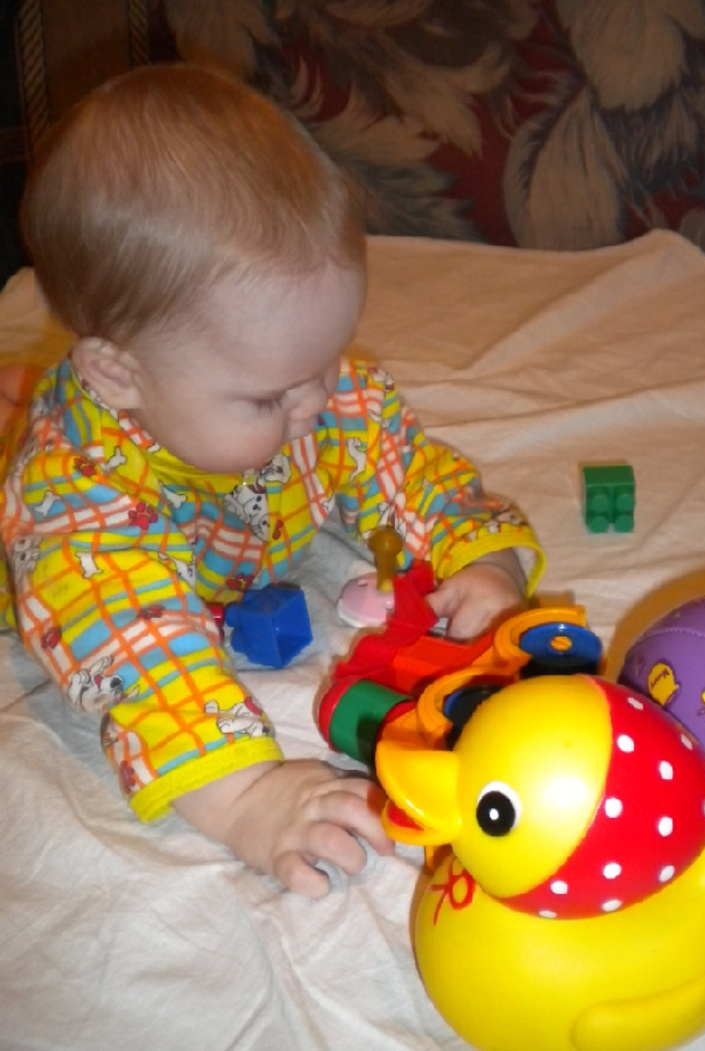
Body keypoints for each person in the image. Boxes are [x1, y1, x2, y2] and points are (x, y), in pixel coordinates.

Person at [0, 64, 545, 898]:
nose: (315, 402)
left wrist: (484, 559)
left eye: (325, 361)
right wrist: (247, 796)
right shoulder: (76, 497)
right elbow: (142, 651)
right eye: (268, 396)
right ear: (119, 374)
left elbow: (396, 457)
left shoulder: (302, 391)